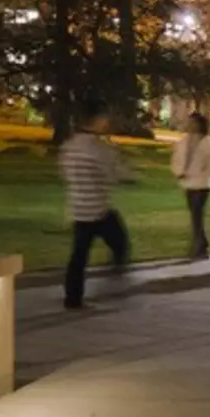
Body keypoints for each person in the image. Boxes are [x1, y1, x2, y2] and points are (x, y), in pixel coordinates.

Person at [59, 101, 131, 310]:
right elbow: (113, 174)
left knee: (78, 255)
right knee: (120, 242)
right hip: (98, 208)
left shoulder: (69, 147)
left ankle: (72, 298)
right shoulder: (99, 149)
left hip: (78, 207)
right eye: (105, 119)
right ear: (97, 121)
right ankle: (117, 273)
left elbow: (64, 173)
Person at [171, 112, 210, 260]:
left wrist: (202, 174)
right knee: (196, 215)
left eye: (193, 122)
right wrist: (178, 172)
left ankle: (199, 248)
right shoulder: (183, 141)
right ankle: (202, 245)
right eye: (189, 122)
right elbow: (177, 159)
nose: (189, 125)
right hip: (188, 182)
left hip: (203, 184)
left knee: (197, 215)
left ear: (200, 124)